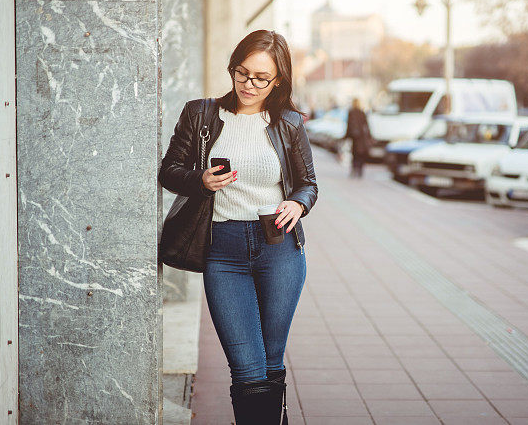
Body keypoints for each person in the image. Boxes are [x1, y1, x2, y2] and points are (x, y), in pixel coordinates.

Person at [159, 30, 317, 425]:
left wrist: (297, 203)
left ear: (279, 79)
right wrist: (201, 180)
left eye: (261, 78)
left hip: (279, 247)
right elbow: (169, 171)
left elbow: (308, 184)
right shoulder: (202, 115)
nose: (249, 85)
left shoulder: (289, 123)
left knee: (270, 360)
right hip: (223, 249)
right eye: (241, 73)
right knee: (247, 367)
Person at [344, 97, 371, 178]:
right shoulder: (362, 112)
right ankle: (359, 170)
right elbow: (366, 125)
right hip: (361, 137)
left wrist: (346, 136)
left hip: (354, 137)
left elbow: (348, 125)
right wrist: (369, 136)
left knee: (354, 153)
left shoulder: (351, 112)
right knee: (360, 153)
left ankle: (354, 169)